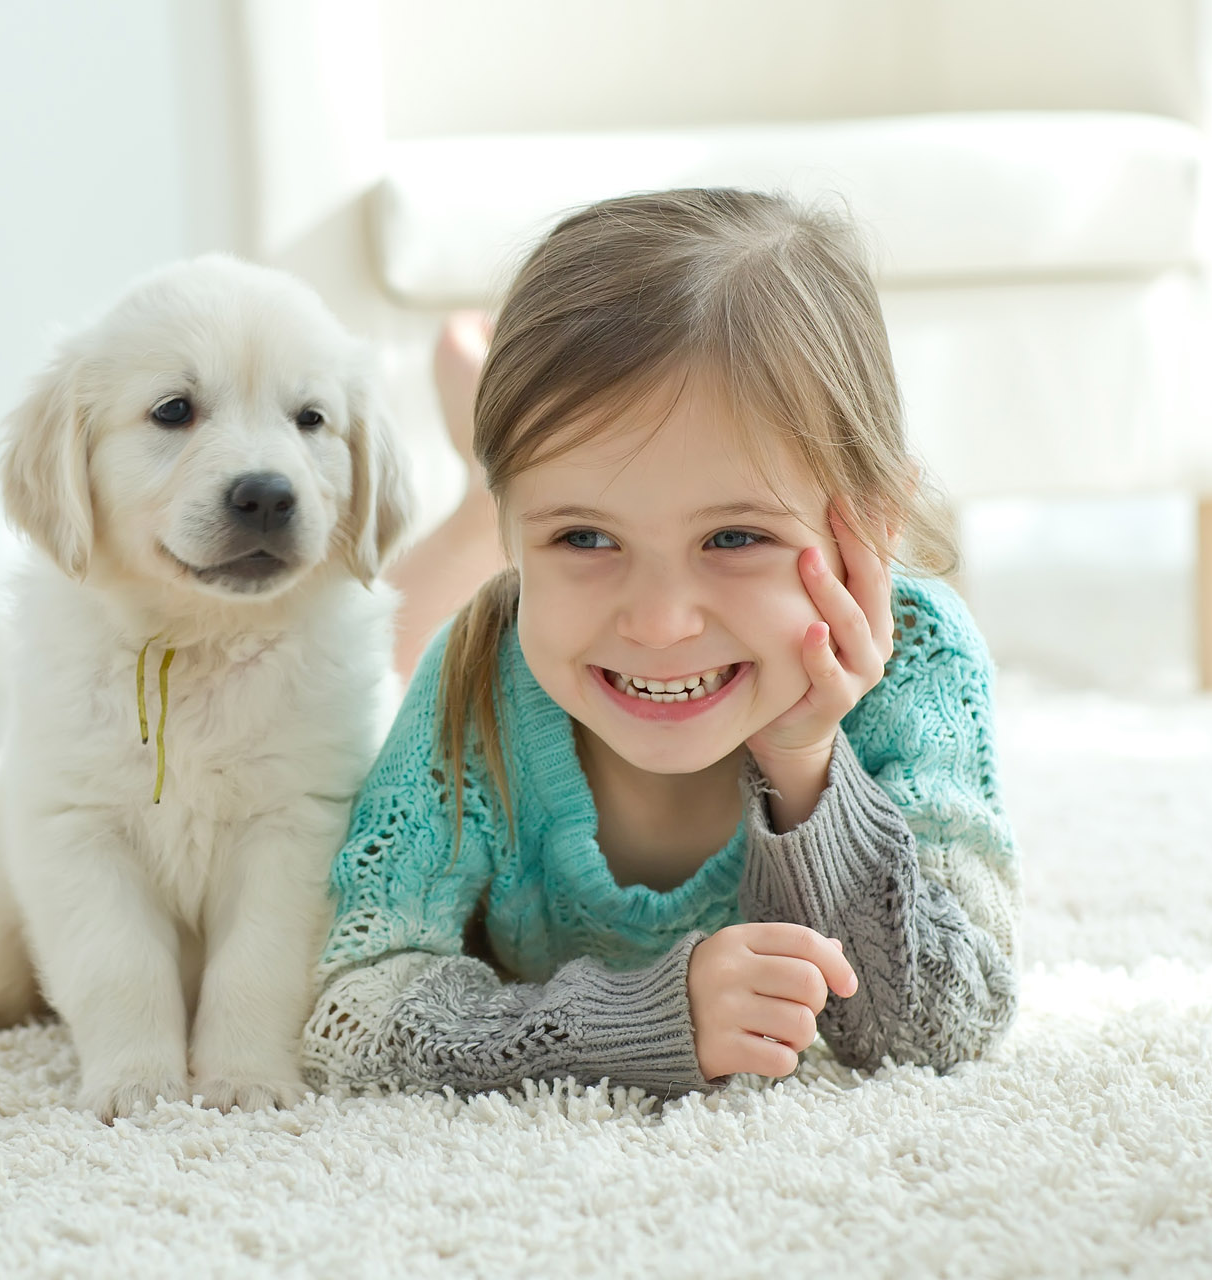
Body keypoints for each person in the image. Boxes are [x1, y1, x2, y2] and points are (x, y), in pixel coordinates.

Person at [300, 188, 1020, 1099]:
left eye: (733, 538)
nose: (658, 622)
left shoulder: (923, 660)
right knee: (362, 652)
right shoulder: (474, 682)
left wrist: (807, 768)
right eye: (585, 537)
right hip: (495, 597)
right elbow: (350, 1013)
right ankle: (479, 493)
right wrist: (643, 1019)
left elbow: (944, 1028)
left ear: (867, 526)